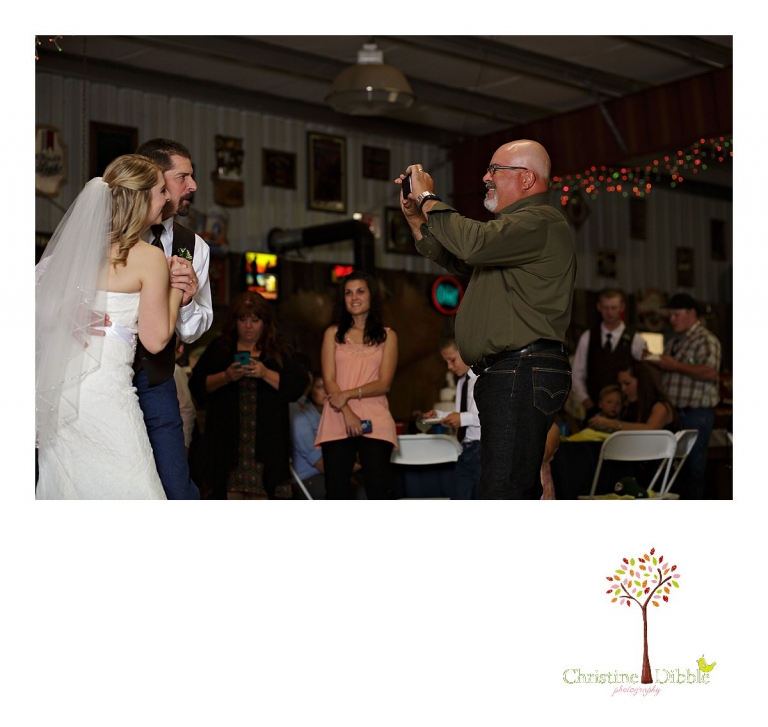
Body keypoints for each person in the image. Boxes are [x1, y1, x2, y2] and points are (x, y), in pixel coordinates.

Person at [396, 139, 576, 499]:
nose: (485, 177)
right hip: (511, 372)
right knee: (502, 487)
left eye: (495, 170)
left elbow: (472, 243)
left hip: (523, 368)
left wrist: (428, 197)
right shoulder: (512, 233)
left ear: (526, 179)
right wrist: (418, 221)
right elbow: (459, 259)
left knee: (503, 491)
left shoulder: (540, 221)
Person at [36, 154, 182, 499]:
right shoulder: (148, 257)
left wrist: (64, 317)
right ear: (142, 197)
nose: (168, 198)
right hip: (107, 394)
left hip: (63, 395)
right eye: (162, 191)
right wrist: (177, 291)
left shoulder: (75, 254)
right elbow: (156, 338)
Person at [131, 138, 213, 500]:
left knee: (174, 482)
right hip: (100, 374)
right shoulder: (106, 234)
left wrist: (188, 299)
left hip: (157, 379)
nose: (193, 186)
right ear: (155, 180)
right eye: (184, 177)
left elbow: (193, 332)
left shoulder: (194, 246)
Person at [189, 291, 306, 499]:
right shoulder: (220, 349)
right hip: (226, 447)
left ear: (265, 322)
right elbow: (197, 385)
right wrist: (226, 376)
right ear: (235, 321)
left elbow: (297, 386)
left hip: (267, 448)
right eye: (243, 319)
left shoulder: (278, 351)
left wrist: (265, 373)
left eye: (255, 320)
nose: (249, 326)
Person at [314, 271, 399, 499]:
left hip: (376, 418)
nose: (354, 297)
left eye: (360, 291)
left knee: (379, 492)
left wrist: (349, 394)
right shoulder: (332, 334)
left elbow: (384, 383)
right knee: (336, 493)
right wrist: (347, 412)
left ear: (372, 296)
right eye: (348, 293)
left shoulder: (387, 336)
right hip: (337, 416)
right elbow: (329, 379)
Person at [646, 293, 721, 499]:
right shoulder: (674, 342)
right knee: (675, 469)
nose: (672, 319)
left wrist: (674, 365)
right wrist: (652, 362)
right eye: (670, 315)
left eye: (676, 315)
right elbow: (665, 375)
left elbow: (710, 372)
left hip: (696, 413)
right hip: (675, 414)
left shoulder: (706, 340)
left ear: (691, 314)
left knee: (694, 468)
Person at [570, 288, 647, 419]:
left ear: (622, 307)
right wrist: (586, 401)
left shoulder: (635, 339)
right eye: (605, 308)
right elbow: (576, 374)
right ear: (599, 307)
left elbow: (643, 376)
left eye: (613, 308)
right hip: (594, 408)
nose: (609, 312)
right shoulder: (588, 337)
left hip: (625, 411)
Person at [420, 336, 481, 499]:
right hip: (464, 448)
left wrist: (463, 419)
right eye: (446, 362)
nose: (449, 367)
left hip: (483, 449)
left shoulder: (484, 378)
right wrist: (439, 416)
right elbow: (460, 414)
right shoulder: (462, 381)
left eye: (452, 360)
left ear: (465, 352)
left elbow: (492, 417)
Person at [588, 362, 680, 433]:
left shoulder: (661, 405)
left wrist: (612, 424)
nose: (623, 389)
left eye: (627, 383)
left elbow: (651, 430)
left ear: (642, 382)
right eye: (621, 384)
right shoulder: (629, 406)